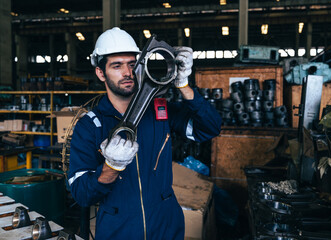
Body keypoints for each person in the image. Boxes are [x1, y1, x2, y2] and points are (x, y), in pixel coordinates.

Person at [68, 27, 221, 239]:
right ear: (100, 73)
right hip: (119, 230)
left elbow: (210, 128)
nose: (127, 73)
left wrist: (184, 85)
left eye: (132, 64)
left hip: (166, 226)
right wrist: (111, 167)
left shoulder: (159, 110)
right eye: (117, 66)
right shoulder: (89, 126)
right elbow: (81, 194)